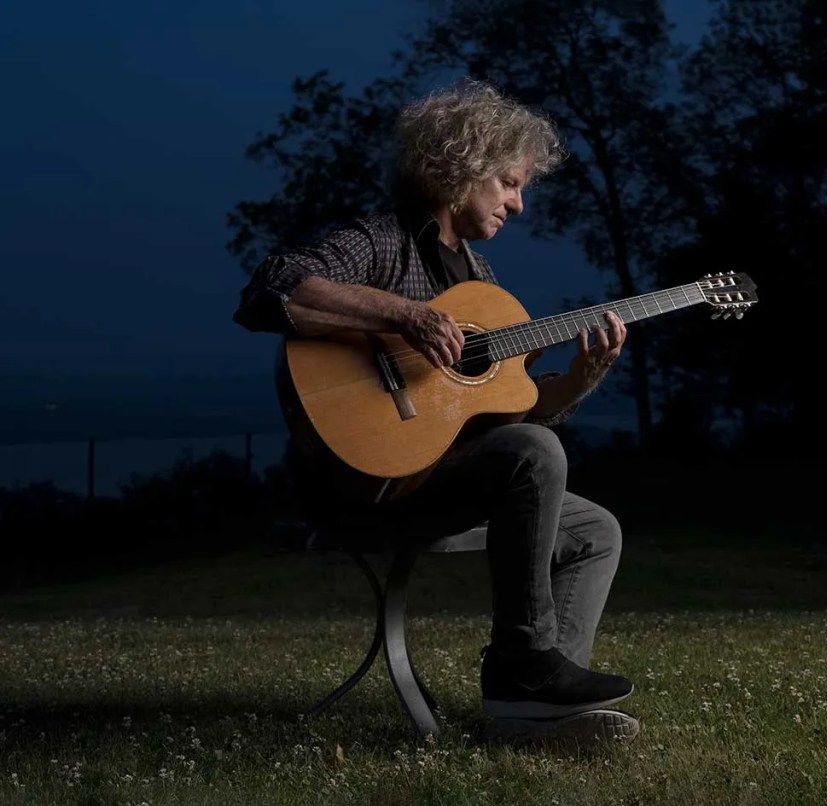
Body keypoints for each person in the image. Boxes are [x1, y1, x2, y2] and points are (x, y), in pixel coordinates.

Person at [233, 79, 638, 743]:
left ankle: (533, 711)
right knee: (536, 455)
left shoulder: (482, 284)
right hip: (363, 486)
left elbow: (508, 425)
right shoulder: (381, 242)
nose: (519, 204)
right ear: (463, 166)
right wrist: (406, 315)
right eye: (509, 183)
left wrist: (576, 382)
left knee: (595, 530)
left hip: (438, 477)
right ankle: (521, 671)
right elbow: (268, 289)